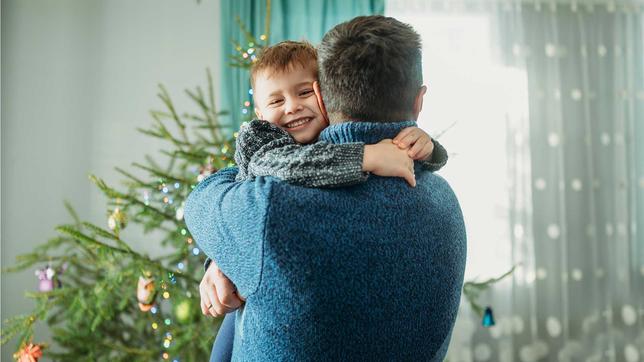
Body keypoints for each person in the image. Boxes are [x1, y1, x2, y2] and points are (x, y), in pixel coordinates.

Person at [185, 15, 466, 361]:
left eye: (303, 92)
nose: (292, 107)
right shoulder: (446, 202)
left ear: (322, 94)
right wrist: (225, 258)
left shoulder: (268, 211)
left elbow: (200, 204)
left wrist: (237, 245)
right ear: (419, 101)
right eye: (276, 101)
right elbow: (274, 165)